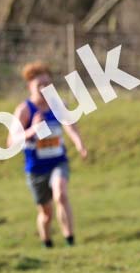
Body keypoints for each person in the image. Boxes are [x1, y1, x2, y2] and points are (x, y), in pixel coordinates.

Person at [10, 61, 87, 248]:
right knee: (46, 213)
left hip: (58, 161)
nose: (44, 89)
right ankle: (47, 243)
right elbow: (11, 142)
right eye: (39, 85)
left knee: (61, 195)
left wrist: (79, 144)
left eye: (47, 84)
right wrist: (32, 130)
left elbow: (70, 126)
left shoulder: (59, 104)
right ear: (30, 87)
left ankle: (70, 240)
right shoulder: (24, 110)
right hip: (36, 168)